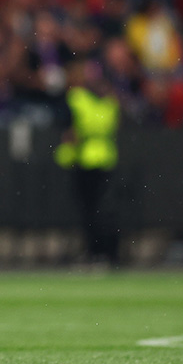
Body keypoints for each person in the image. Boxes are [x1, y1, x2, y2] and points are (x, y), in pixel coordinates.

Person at [55, 62, 120, 266]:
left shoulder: (78, 99)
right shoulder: (110, 102)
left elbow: (72, 132)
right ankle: (105, 253)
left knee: (90, 211)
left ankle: (96, 252)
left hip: (85, 159)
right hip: (106, 158)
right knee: (102, 210)